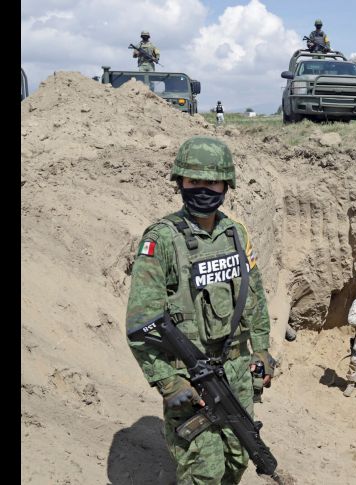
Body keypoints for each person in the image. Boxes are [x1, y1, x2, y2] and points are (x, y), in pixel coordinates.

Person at [125, 136, 275, 484]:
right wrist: (168, 382)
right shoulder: (161, 240)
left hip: (236, 371)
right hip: (191, 377)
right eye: (194, 181)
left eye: (212, 182)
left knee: (238, 458)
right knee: (204, 472)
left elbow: (254, 296)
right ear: (180, 182)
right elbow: (140, 323)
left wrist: (262, 350)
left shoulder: (236, 234)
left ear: (226, 185)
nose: (203, 190)